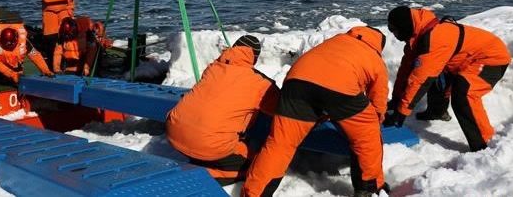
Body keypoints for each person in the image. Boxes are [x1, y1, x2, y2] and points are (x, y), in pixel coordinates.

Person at [242, 26, 390, 197]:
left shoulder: (334, 42)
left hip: (296, 83)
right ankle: (368, 188)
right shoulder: (374, 57)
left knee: (279, 145)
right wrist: (372, 122)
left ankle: (253, 193)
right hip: (340, 88)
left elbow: (318, 79)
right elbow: (378, 101)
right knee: (367, 136)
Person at [383, 6, 511, 152]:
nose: (394, 34)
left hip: (491, 58)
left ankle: (484, 144)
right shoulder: (418, 37)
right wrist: (396, 99)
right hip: (464, 60)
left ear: (405, 27)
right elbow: (407, 71)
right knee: (435, 74)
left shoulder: (434, 39)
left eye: (394, 30)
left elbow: (420, 81)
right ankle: (437, 112)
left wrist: (401, 114)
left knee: (464, 93)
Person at [166, 35, 279, 185]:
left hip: (174, 134)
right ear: (254, 58)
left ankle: (200, 160)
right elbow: (281, 108)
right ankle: (204, 174)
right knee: (257, 165)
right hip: (209, 146)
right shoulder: (260, 83)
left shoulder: (213, 67)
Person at [0, 20, 54, 90]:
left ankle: (4, 79)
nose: (8, 48)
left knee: (18, 82)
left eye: (10, 46)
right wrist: (12, 75)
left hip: (14, 67)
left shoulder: (25, 43)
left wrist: (45, 70)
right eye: (5, 46)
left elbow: (36, 56)